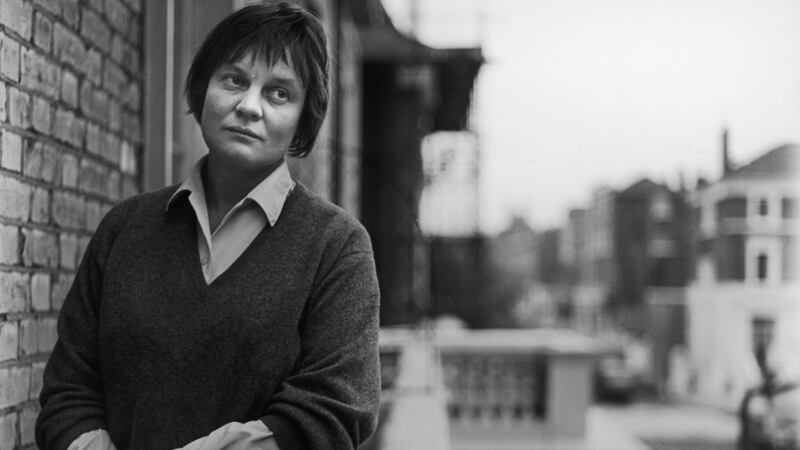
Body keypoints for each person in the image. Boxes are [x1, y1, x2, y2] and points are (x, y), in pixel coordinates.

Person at [35, 3, 381, 449]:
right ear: (203, 89)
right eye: (234, 80)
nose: (248, 106)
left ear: (302, 119)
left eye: (279, 93)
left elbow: (333, 412)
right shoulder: (125, 229)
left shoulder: (336, 247)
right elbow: (69, 390)